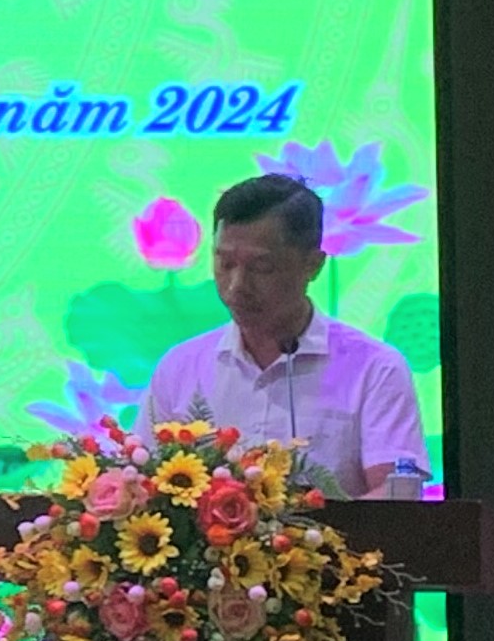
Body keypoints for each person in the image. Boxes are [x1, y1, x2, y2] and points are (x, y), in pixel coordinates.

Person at [142, 174, 429, 496]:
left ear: (313, 265)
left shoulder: (375, 369)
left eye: (261, 268)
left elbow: (398, 495)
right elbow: (142, 484)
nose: (237, 286)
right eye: (225, 264)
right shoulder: (180, 367)